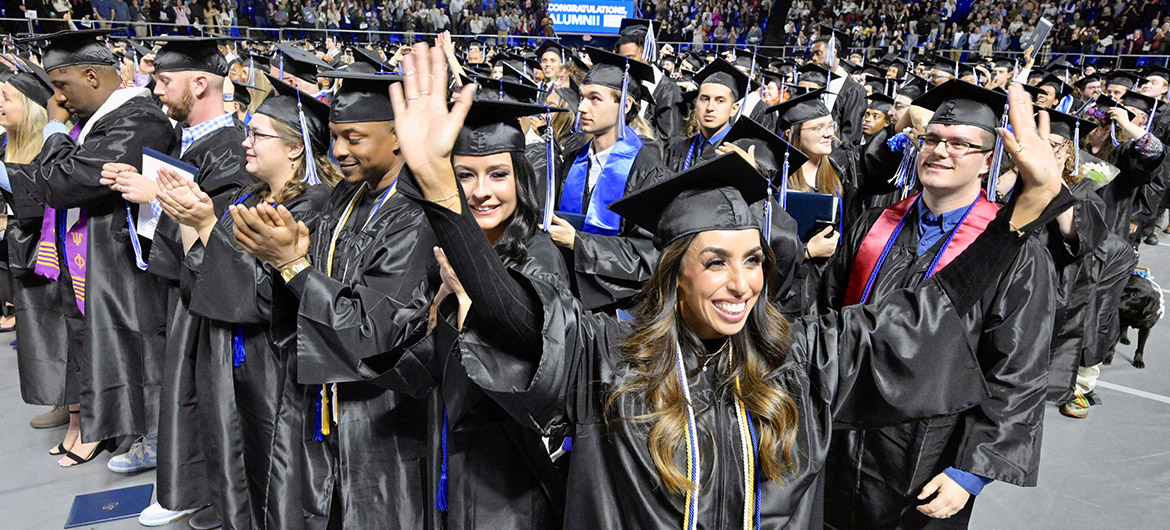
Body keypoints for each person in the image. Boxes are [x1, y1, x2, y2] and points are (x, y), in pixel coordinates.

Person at [391, 42, 1071, 529]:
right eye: (714, 261)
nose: (741, 283)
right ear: (674, 270)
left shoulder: (799, 357)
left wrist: (1017, 221)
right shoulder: (611, 355)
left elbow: (929, 313)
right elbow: (513, 316)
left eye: (753, 262)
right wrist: (440, 192)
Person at [818, 81, 1059, 529]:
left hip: (932, 447)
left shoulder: (1015, 252)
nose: (940, 151)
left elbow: (1018, 368)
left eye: (960, 144)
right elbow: (829, 316)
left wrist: (971, 471)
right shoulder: (872, 225)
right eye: (932, 139)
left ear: (990, 160)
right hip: (844, 428)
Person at [230, 70, 436, 529]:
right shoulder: (347, 194)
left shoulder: (414, 215)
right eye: (336, 137)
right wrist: (286, 257)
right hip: (327, 397)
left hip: (383, 408)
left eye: (354, 138)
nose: (339, 150)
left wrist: (292, 266)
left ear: (399, 137)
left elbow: (373, 328)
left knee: (382, 512)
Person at [97, 35, 258, 527]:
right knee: (180, 391)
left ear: (200, 82)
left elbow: (225, 231)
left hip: (210, 293)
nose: (157, 91)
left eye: (166, 82)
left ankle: (205, 493)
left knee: (201, 396)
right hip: (176, 287)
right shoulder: (181, 137)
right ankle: (186, 487)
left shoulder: (230, 149)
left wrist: (155, 196)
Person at [1, 28, 179, 468]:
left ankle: (153, 438)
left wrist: (56, 130)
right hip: (93, 256)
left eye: (62, 85)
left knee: (140, 347)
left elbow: (65, 182)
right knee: (105, 345)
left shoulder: (139, 119)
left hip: (125, 260)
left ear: (91, 75)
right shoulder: (99, 121)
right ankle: (123, 430)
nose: (58, 97)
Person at [171, 78, 338, 530]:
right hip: (233, 356)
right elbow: (200, 284)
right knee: (238, 459)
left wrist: (206, 223)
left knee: (274, 467)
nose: (245, 142)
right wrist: (190, 221)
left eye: (257, 135)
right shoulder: (249, 195)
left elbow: (263, 296)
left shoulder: (312, 206)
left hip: (274, 363)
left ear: (294, 149)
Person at [547, 46, 668, 312]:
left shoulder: (647, 172)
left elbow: (648, 257)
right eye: (581, 97)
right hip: (566, 299)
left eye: (594, 99)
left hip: (618, 310)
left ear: (624, 105)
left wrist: (579, 243)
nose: (581, 108)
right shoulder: (572, 157)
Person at [1, 65, 74, 434]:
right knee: (40, 331)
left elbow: (40, 196)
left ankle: (73, 403)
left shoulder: (49, 147)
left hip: (46, 253)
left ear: (31, 106)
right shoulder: (8, 144)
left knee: (57, 328)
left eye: (6, 98)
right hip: (23, 249)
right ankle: (62, 398)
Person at [662, 59, 747, 172]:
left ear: (734, 109)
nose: (710, 107)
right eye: (705, 99)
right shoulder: (676, 148)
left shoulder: (742, 152)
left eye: (720, 101)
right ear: (696, 104)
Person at [615, 19, 685, 140]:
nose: (626, 64)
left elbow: (669, 140)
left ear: (647, 54)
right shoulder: (622, 84)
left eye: (631, 58)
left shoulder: (667, 90)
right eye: (622, 58)